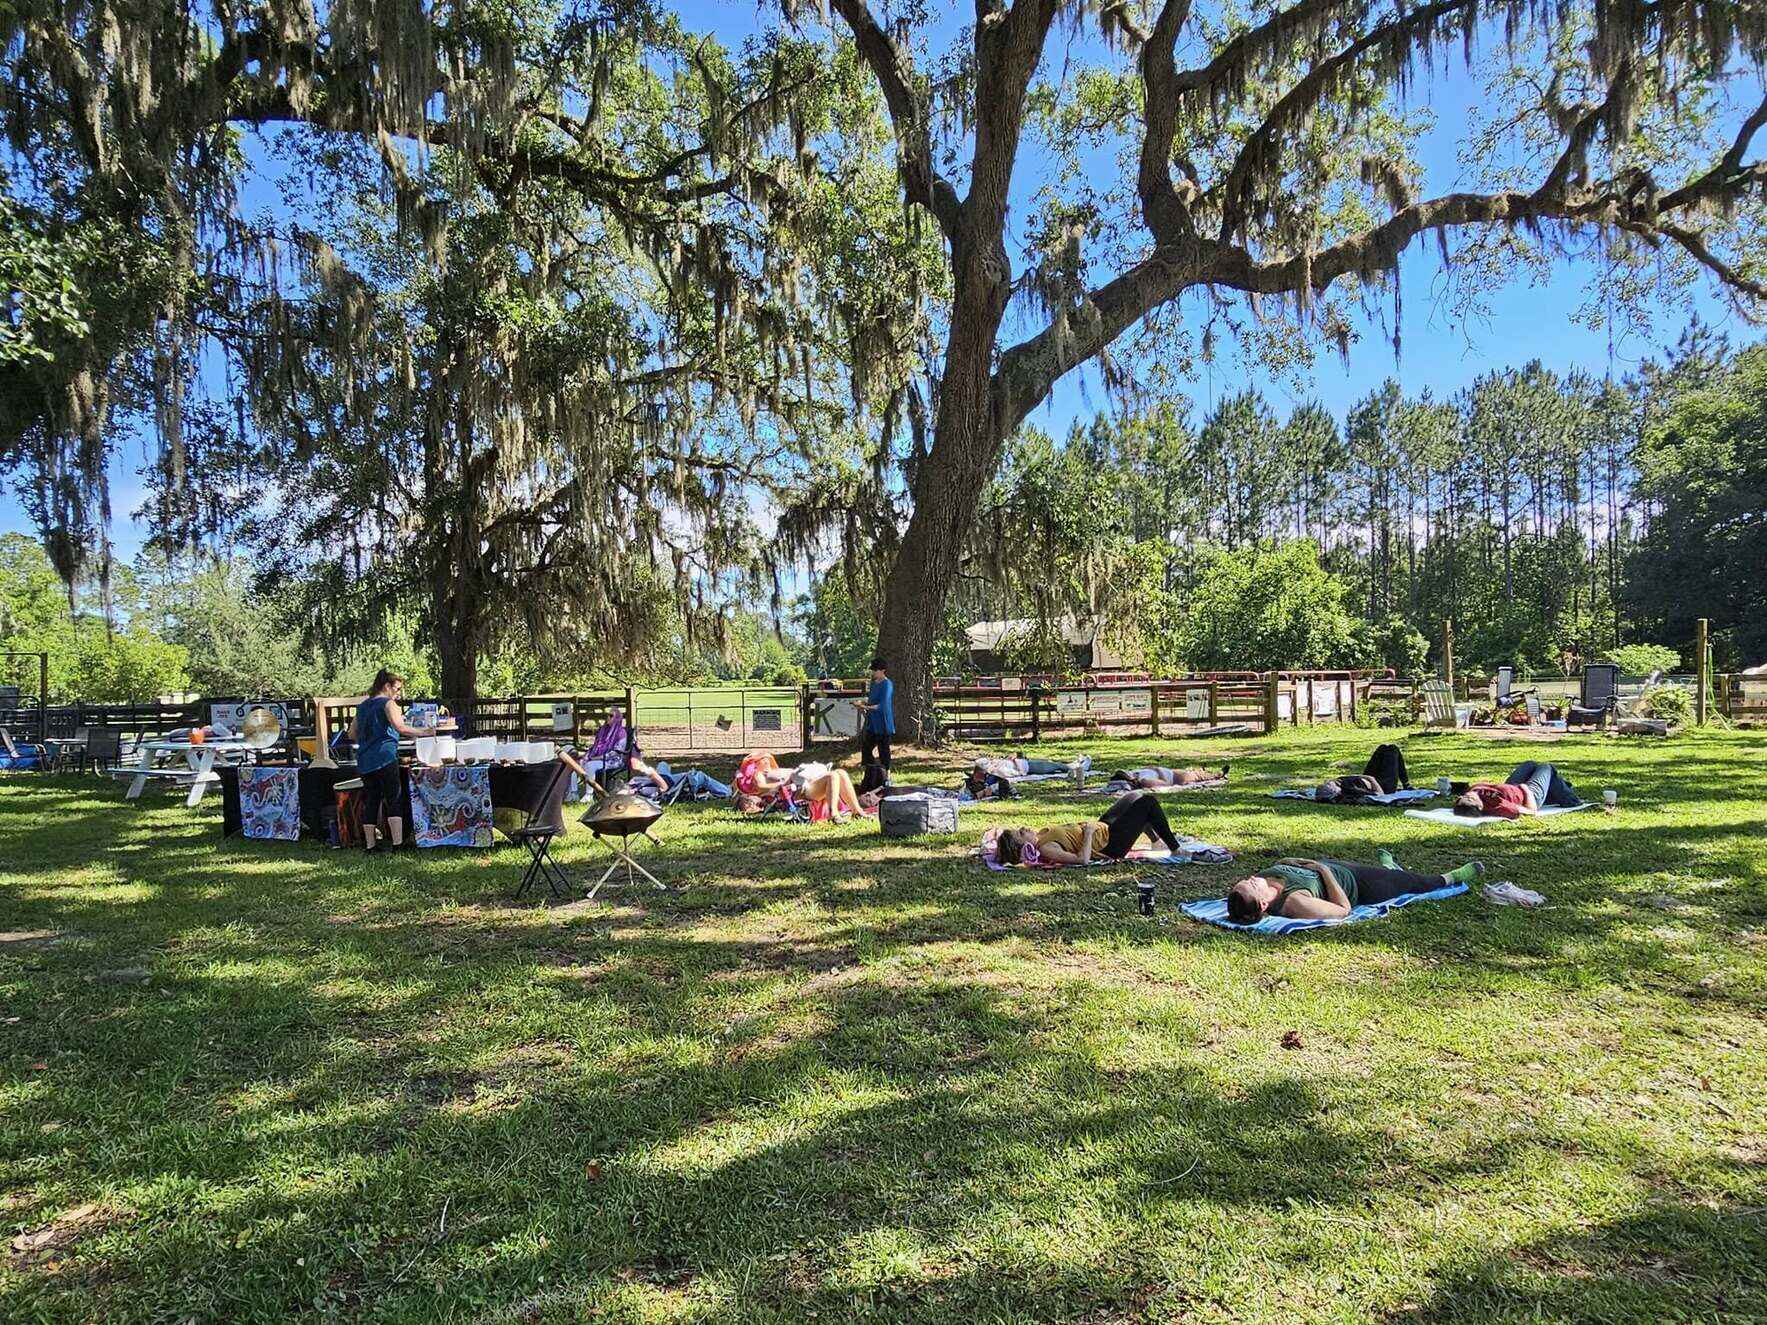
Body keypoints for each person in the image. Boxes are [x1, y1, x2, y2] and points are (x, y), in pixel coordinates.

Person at [352, 668, 452, 851]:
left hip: (365, 759)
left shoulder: (362, 706)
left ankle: (370, 846)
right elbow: (401, 728)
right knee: (393, 798)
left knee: (372, 799)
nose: (398, 694)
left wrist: (369, 739)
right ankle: (397, 844)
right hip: (385, 757)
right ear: (386, 686)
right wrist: (426, 732)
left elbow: (352, 733)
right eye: (397, 689)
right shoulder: (388, 704)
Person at [1226, 852, 1485, 922]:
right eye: (1250, 884)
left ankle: (1393, 871)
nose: (1251, 877)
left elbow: (1281, 864)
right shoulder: (1294, 903)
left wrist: (1288, 861)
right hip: (1358, 884)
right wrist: (1325, 873)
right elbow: (1343, 909)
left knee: (1393, 876)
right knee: (1416, 883)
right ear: (1262, 904)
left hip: (1336, 866)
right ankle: (1449, 878)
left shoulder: (1263, 878)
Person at [993, 789, 1185, 865]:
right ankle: (1175, 849)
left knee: (1134, 796)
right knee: (1147, 802)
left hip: (1103, 829)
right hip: (1110, 845)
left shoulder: (1041, 836)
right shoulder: (1046, 848)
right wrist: (1089, 834)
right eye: (1020, 833)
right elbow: (1082, 860)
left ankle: (1156, 842)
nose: (1024, 828)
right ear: (1023, 847)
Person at [1452, 760, 1584, 818]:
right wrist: (1525, 789)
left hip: (1511, 785)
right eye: (1470, 798)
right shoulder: (1498, 805)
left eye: (1464, 796)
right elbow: (1531, 811)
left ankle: (1553, 788)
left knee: (1530, 764)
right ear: (1480, 806)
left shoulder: (1468, 798)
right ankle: (1571, 800)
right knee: (1546, 767)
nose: (1469, 794)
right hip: (1528, 793)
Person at [628, 754, 732, 802]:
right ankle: (727, 792)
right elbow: (664, 788)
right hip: (669, 784)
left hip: (665, 779)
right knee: (700, 776)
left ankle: (724, 788)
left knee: (663, 764)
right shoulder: (643, 792)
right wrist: (649, 772)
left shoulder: (632, 785)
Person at [857, 656, 894, 778]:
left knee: (883, 750)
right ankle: (871, 771)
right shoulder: (874, 684)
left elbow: (882, 705)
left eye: (875, 670)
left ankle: (886, 774)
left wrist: (867, 707)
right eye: (873, 670)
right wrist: (862, 705)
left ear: (882, 670)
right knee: (866, 748)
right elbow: (871, 701)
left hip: (883, 722)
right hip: (872, 722)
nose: (873, 673)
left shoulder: (887, 684)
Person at [1107, 763, 1228, 789]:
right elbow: (1166, 784)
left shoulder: (1137, 773)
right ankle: (1218, 775)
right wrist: (1158, 771)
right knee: (1197, 775)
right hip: (1176, 778)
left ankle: (1204, 771)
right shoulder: (1144, 781)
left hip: (1171, 771)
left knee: (1195, 773)